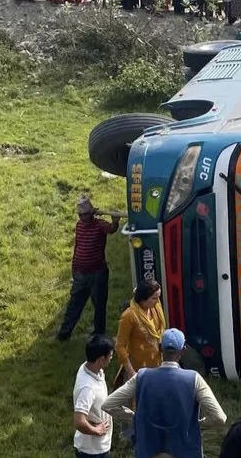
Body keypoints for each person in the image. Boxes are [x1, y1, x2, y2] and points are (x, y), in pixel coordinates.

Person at [102, 328, 227, 458]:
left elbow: (108, 404)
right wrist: (196, 425)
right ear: (183, 350)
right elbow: (219, 417)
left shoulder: (141, 377)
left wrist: (135, 418)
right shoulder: (194, 379)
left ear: (160, 348)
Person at [57, 195, 120, 340]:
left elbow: (111, 229)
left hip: (98, 273)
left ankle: (99, 334)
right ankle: (63, 334)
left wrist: (115, 222)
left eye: (86, 214)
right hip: (80, 273)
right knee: (74, 305)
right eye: (80, 215)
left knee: (99, 305)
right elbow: (77, 246)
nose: (83, 217)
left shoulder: (100, 224)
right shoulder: (79, 225)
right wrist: (74, 268)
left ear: (91, 213)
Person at [114, 280, 165, 384]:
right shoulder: (129, 316)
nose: (158, 301)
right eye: (154, 298)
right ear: (143, 299)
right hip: (139, 368)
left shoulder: (155, 308)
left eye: (158, 297)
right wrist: (131, 372)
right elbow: (120, 346)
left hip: (157, 363)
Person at [74, 335, 116, 458]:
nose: (111, 359)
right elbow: (78, 421)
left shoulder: (88, 367)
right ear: (101, 360)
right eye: (110, 357)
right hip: (93, 451)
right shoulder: (88, 388)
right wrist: (96, 430)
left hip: (96, 447)